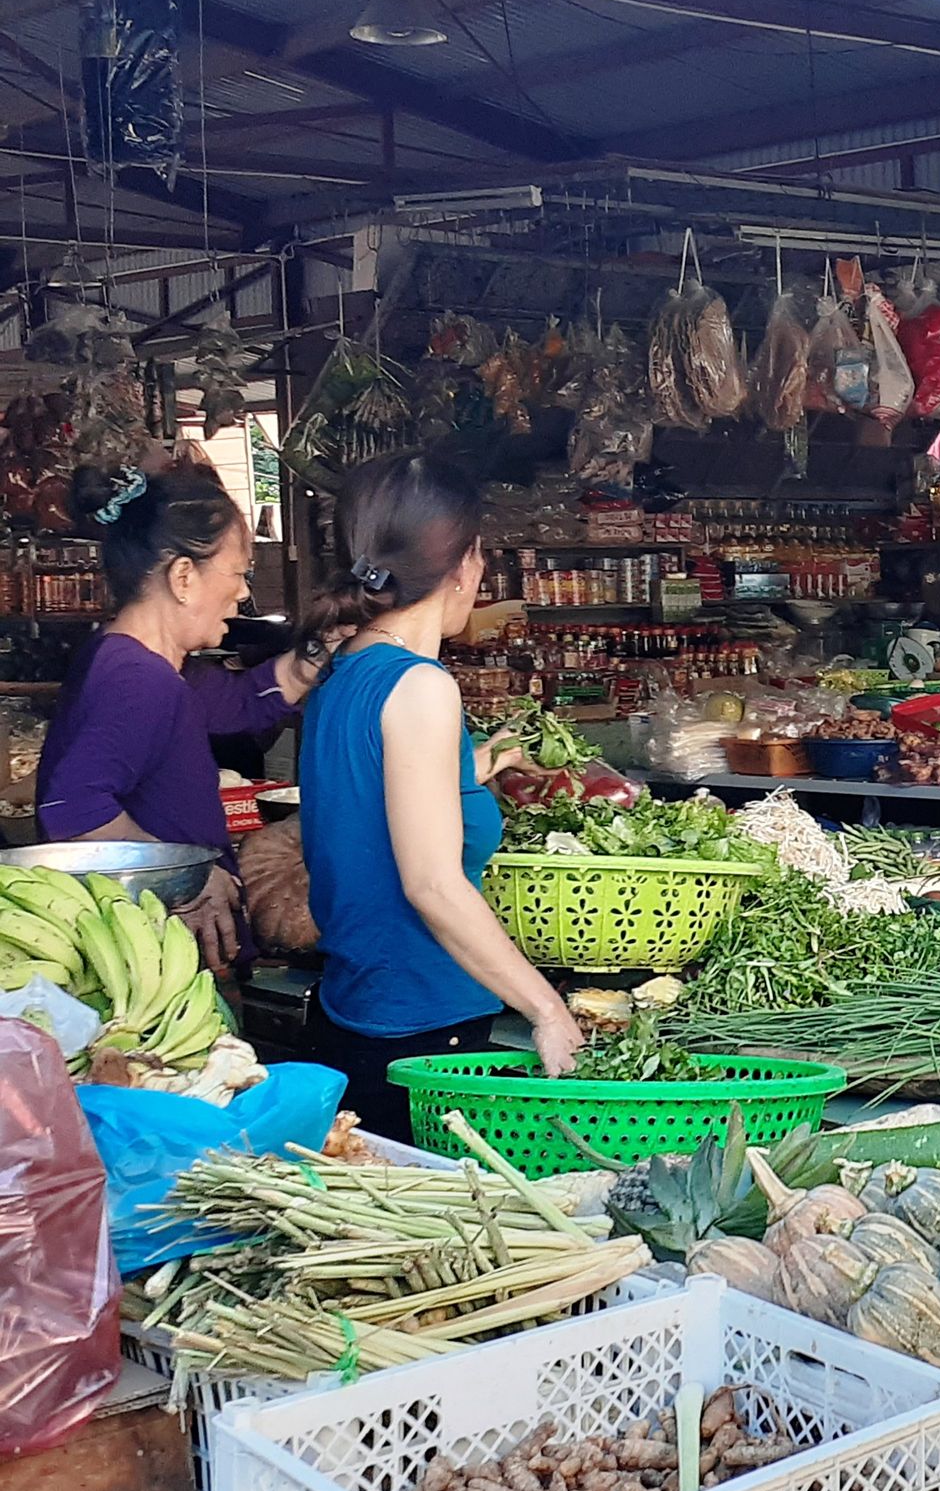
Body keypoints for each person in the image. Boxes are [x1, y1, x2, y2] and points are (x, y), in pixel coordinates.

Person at [296, 451, 582, 1136]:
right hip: (426, 1035)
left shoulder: (343, 673)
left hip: (357, 1011)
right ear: (464, 564)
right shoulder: (421, 687)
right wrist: (547, 1010)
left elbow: (374, 798)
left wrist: (480, 763)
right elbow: (432, 884)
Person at [37, 464, 335, 972]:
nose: (243, 593)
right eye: (239, 573)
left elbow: (242, 702)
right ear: (182, 576)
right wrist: (185, 875)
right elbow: (72, 808)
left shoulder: (149, 663)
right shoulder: (135, 678)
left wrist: (322, 648)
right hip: (149, 952)